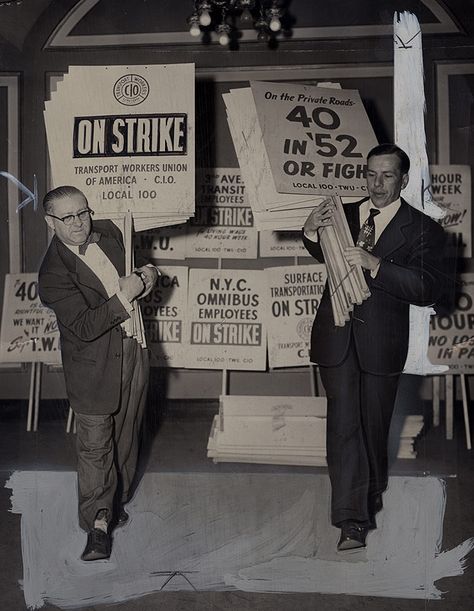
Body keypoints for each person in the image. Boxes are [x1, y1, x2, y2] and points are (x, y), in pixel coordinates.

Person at [302, 144, 446, 551]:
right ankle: (351, 520)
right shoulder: (344, 213)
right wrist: (311, 229)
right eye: (370, 174)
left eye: (386, 176)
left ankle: (371, 488)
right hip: (337, 337)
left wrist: (376, 265)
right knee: (344, 426)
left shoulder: (422, 229)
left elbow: (427, 287)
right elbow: (322, 252)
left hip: (382, 344)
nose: (377, 184)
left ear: (403, 180)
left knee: (372, 427)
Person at [38, 185, 159, 561]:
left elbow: (141, 270)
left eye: (82, 213)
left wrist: (149, 274)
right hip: (91, 368)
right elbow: (87, 326)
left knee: (126, 436)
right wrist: (126, 294)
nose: (78, 224)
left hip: (133, 351)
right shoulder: (52, 275)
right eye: (67, 218)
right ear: (50, 222)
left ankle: (117, 502)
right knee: (95, 447)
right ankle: (97, 525)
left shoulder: (110, 230)